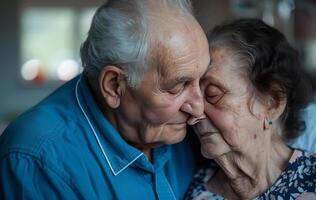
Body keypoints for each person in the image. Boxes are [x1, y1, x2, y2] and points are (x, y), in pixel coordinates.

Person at [0, 0, 210, 199]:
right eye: (176, 87)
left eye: (203, 81)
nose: (199, 109)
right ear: (113, 85)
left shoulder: (183, 126)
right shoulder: (37, 160)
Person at [185, 19, 316, 200]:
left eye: (212, 94)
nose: (194, 112)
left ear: (272, 102)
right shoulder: (194, 191)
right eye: (190, 96)